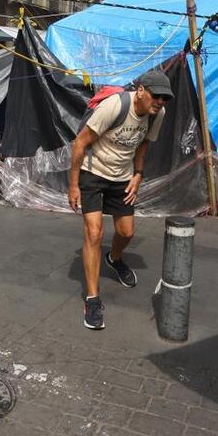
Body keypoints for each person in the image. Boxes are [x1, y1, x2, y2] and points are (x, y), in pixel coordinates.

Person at [67, 69, 172, 330]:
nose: (160, 102)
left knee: (126, 232)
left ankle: (113, 258)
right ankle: (92, 299)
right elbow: (80, 143)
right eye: (156, 96)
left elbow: (144, 143)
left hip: (122, 176)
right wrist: (73, 185)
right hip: (93, 173)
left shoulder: (156, 114)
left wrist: (138, 174)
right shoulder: (114, 107)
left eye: (165, 98)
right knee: (94, 233)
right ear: (141, 92)